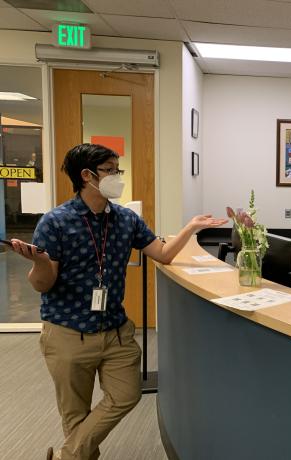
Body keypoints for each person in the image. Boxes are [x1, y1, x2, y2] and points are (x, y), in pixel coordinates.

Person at [8, 144, 228, 460]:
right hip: (68, 332)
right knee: (76, 414)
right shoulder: (55, 222)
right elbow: (43, 284)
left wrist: (191, 228)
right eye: (111, 170)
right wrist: (38, 261)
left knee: (127, 394)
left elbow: (162, 254)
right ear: (87, 176)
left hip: (115, 330)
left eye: (117, 170)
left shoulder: (126, 219)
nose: (117, 177)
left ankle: (66, 456)